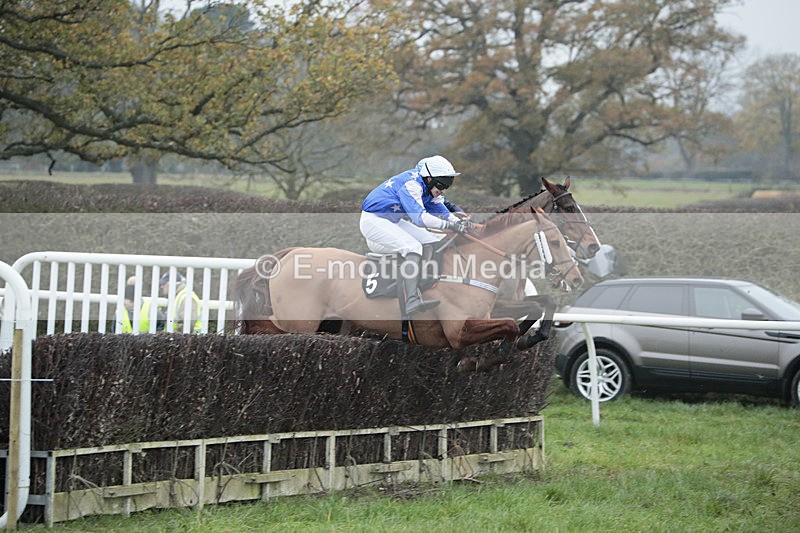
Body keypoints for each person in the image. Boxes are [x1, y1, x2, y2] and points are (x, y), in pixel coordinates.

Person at [359, 155, 473, 315]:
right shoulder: (412, 185)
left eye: (448, 185)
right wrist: (451, 225)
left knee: (433, 241)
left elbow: (443, 211)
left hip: (393, 220)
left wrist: (459, 221)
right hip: (373, 221)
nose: (443, 190)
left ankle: (423, 285)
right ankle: (410, 299)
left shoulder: (428, 186)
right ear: (428, 178)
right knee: (413, 247)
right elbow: (420, 218)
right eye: (441, 184)